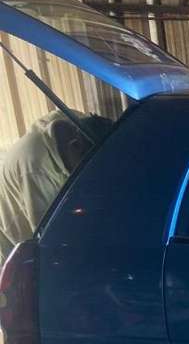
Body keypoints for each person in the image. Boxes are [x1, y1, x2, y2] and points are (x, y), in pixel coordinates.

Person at [0, 110, 113, 264]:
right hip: (11, 237)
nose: (91, 179)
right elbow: (49, 240)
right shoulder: (37, 170)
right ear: (76, 146)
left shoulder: (78, 123)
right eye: (90, 170)